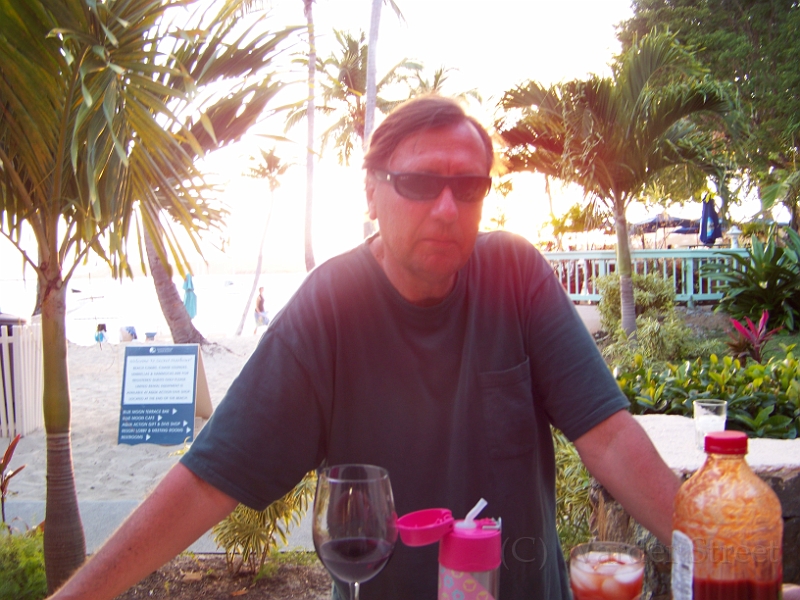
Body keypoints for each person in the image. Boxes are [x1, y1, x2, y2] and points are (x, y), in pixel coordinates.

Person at [51, 95, 682, 600]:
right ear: (371, 192)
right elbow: (210, 481)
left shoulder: (514, 275)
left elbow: (609, 438)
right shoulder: (331, 307)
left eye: (468, 187)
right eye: (419, 183)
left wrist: (714, 552)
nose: (446, 208)